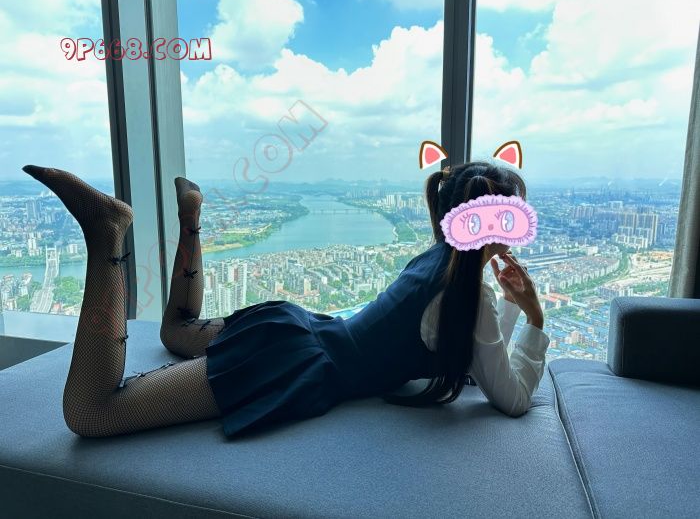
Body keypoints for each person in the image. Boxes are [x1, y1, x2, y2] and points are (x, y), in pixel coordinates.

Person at [21, 161, 548, 439]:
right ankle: (107, 235)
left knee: (174, 331)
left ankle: (191, 216)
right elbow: (512, 396)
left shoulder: (436, 261)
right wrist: (534, 315)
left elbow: (478, 349)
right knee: (93, 412)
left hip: (300, 328)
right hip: (291, 363)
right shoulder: (468, 293)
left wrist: (506, 302)